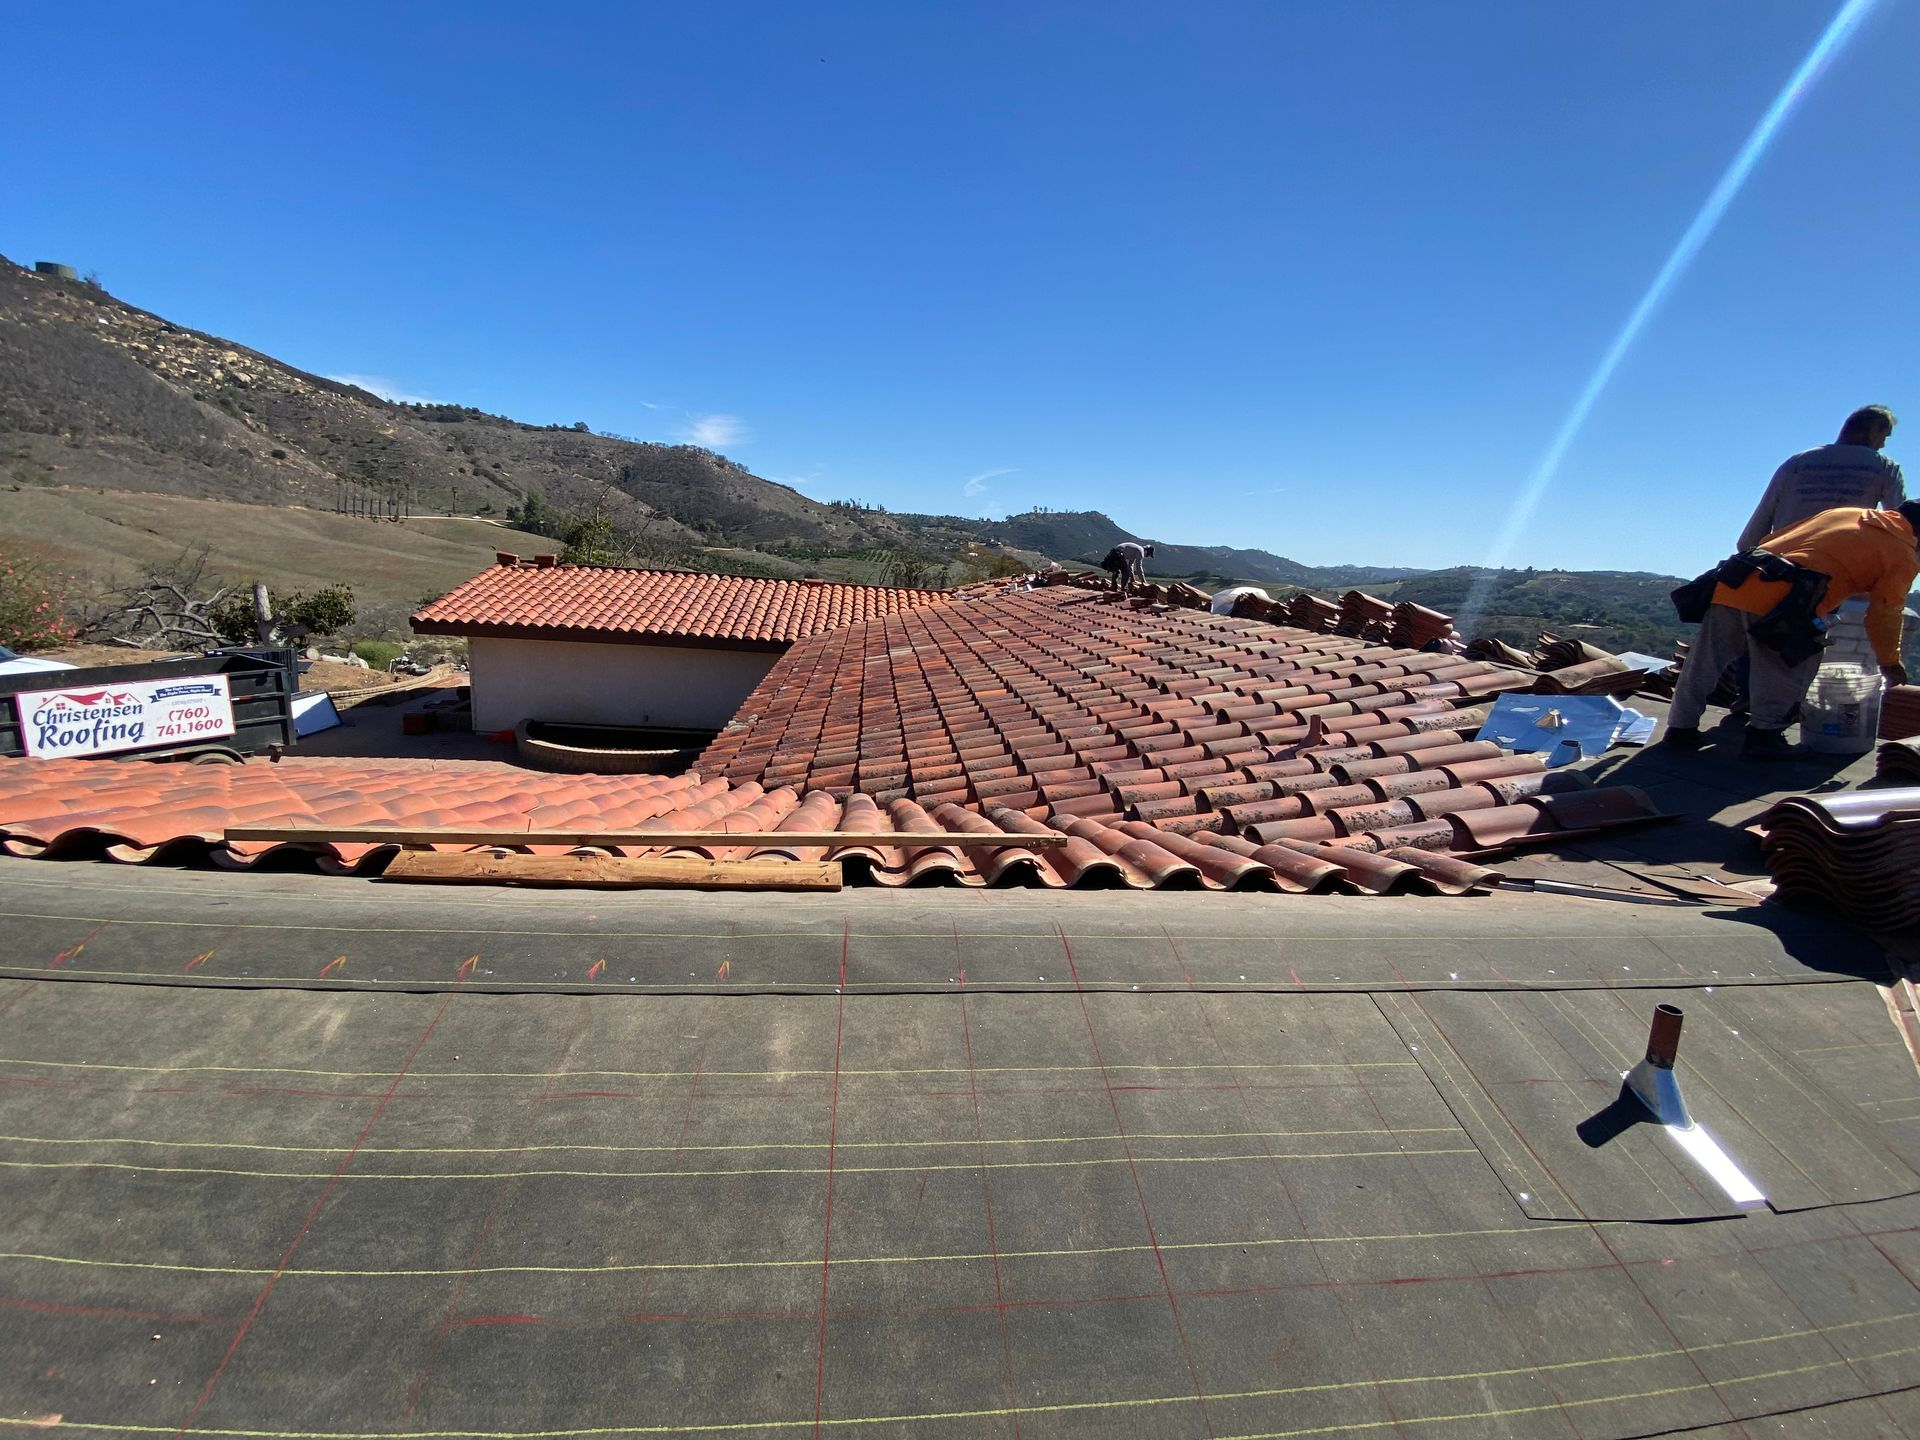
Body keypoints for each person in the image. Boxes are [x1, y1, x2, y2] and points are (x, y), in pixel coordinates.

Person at [1663, 501, 1920, 759]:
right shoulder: (1902, 554)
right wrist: (1889, 662)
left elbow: (1773, 539)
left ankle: (1679, 728)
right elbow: (1884, 614)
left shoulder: (1846, 513)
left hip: (1734, 583)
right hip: (1789, 600)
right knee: (1789, 666)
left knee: (1705, 661)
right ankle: (1765, 736)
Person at [1737, 405, 1904, 552]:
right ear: (1872, 432)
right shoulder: (1884, 467)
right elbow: (1901, 527)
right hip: (1844, 570)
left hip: (1781, 569)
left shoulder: (1796, 463)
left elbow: (1749, 539)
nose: (1883, 444)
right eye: (1884, 436)